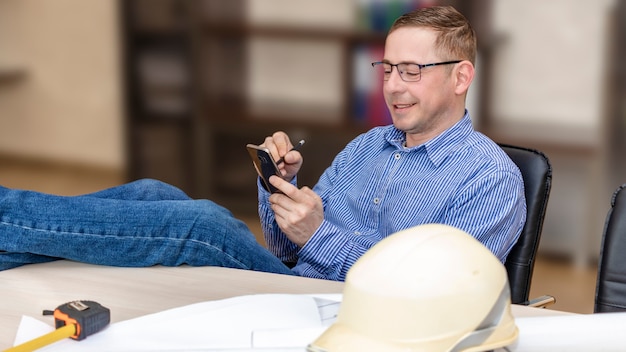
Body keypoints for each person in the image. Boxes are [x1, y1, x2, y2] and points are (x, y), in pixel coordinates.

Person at [0, 5, 525, 280]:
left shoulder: (490, 179)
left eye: (411, 71)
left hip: (353, 314)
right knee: (151, 192)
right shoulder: (368, 146)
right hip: (294, 284)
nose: (390, 86)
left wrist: (318, 234)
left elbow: (432, 290)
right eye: (386, 69)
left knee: (202, 225)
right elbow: (283, 248)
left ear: (461, 78)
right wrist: (281, 187)